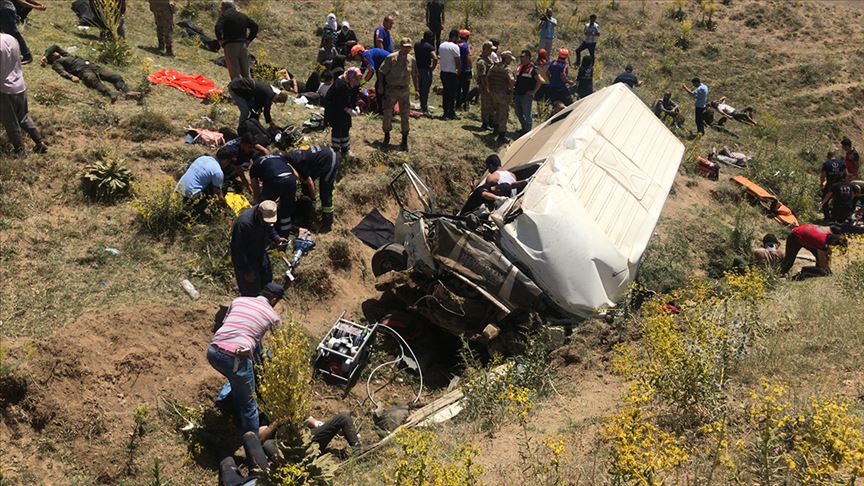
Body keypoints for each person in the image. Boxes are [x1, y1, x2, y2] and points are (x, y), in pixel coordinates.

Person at [207, 282, 284, 437]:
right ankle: (254, 443)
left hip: (213, 352)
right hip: (234, 359)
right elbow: (280, 346)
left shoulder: (238, 301)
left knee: (238, 381)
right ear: (274, 300)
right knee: (249, 404)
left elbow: (232, 327)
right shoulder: (273, 316)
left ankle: (226, 404)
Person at [40, 45, 139, 103]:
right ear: (52, 59)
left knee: (115, 76)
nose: (55, 53)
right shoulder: (57, 63)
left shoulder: (66, 55)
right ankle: (110, 94)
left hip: (93, 66)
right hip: (82, 70)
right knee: (92, 80)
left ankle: (127, 92)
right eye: (52, 55)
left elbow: (54, 46)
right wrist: (71, 77)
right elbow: (61, 71)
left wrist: (45, 56)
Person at [230, 201, 288, 297]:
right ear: (258, 213)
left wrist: (276, 238)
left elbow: (270, 227)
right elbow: (238, 251)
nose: (267, 223)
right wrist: (247, 271)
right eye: (265, 221)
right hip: (246, 259)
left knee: (267, 285)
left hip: (260, 253)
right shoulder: (244, 223)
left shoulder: (267, 213)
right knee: (251, 292)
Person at [0, 34, 45, 155]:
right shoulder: (11, 39)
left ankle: (19, 150)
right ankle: (40, 142)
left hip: (4, 89)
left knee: (10, 121)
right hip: (19, 85)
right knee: (23, 116)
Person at [284, 145, 341, 231]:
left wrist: (314, 199)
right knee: (305, 188)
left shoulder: (298, 162)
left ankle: (327, 221)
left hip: (330, 159)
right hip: (318, 160)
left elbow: (310, 182)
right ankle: (308, 213)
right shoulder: (291, 156)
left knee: (325, 191)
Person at [379, 38, 419, 152]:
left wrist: (417, 89)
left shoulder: (411, 60)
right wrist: (381, 86)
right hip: (391, 89)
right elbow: (381, 71)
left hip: (404, 90)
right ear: (400, 46)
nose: (407, 49)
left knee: (405, 115)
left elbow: (415, 75)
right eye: (405, 47)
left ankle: (404, 140)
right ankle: (386, 137)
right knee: (387, 113)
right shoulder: (391, 58)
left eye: (409, 47)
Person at [249, 153, 298, 236]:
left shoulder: (255, 165)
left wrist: (258, 200)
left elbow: (255, 186)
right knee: (286, 209)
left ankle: (269, 234)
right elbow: (296, 175)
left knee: (266, 208)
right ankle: (285, 235)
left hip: (275, 180)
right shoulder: (279, 156)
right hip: (291, 179)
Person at [779, 224, 847, 276]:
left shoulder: (829, 235)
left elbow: (829, 254)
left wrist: (829, 269)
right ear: (833, 242)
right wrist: (825, 271)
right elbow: (822, 261)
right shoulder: (822, 241)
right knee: (789, 261)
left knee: (820, 261)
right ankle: (779, 274)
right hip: (795, 236)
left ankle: (817, 272)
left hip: (806, 235)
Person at [215, 0, 258, 80]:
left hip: (230, 46)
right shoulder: (242, 16)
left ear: (225, 6)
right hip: (243, 46)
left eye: (221, 7)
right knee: (246, 73)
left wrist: (220, 40)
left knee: (235, 73)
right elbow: (255, 27)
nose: (220, 8)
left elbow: (217, 27)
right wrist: (249, 40)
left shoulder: (225, 15)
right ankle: (250, 90)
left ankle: (238, 91)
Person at [324, 67, 361, 157]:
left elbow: (354, 96)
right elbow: (336, 100)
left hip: (345, 108)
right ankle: (335, 150)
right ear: (351, 77)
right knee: (337, 127)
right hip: (334, 108)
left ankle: (345, 149)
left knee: (346, 126)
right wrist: (347, 109)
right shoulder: (340, 84)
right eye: (356, 78)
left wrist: (356, 106)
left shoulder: (354, 83)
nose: (358, 81)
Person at [0, 0, 44, 64]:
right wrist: (37, 4)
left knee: (13, 34)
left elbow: (21, 1)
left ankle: (27, 55)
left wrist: (36, 6)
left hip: (6, 11)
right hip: (3, 10)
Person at [487, 51, 515, 144]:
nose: (510, 61)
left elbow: (488, 77)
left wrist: (489, 88)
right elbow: (511, 80)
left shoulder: (493, 66)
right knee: (503, 115)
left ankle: (495, 130)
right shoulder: (507, 69)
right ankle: (501, 136)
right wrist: (511, 89)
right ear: (506, 59)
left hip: (493, 93)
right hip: (503, 94)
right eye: (510, 59)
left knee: (496, 112)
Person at [514, 50, 541, 135]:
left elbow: (539, 81)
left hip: (526, 95)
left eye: (523, 57)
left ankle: (527, 131)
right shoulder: (520, 67)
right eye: (520, 57)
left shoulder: (533, 68)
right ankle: (524, 128)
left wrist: (533, 92)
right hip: (518, 93)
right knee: (518, 112)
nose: (521, 58)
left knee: (527, 113)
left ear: (528, 57)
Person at [438, 29, 461, 120]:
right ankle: (451, 112)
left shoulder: (441, 45)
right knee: (452, 94)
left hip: (443, 72)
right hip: (452, 72)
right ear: (455, 37)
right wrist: (459, 71)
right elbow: (457, 61)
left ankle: (446, 112)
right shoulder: (455, 47)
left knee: (446, 93)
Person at [414, 30, 437, 117]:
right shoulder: (429, 47)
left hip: (418, 69)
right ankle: (424, 108)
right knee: (425, 89)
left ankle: (421, 105)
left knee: (419, 88)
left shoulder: (416, 45)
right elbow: (435, 58)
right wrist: (432, 68)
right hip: (426, 70)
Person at [821, 150, 848, 220]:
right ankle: (835, 216)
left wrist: (821, 184)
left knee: (825, 200)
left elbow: (823, 176)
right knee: (837, 201)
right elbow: (846, 174)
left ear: (828, 156)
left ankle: (827, 217)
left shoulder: (826, 163)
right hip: (840, 185)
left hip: (830, 185)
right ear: (834, 155)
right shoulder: (842, 163)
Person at [475, 41, 496, 131]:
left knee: (491, 105)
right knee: (486, 105)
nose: (491, 51)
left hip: (491, 85)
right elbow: (483, 76)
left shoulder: (488, 59)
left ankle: (490, 122)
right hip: (485, 86)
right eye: (490, 49)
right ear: (485, 49)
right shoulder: (482, 62)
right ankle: (485, 123)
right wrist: (486, 87)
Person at [456, 29, 472, 111]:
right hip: (465, 70)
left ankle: (457, 105)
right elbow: (468, 57)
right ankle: (465, 106)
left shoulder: (456, 44)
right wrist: (470, 67)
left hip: (457, 69)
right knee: (465, 89)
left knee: (457, 88)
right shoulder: (465, 46)